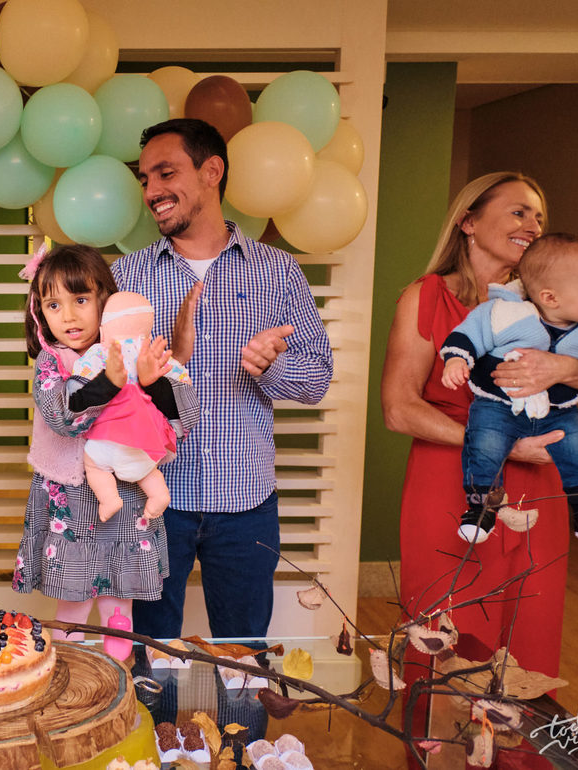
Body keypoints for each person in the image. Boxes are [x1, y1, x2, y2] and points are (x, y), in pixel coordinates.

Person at [381, 173, 578, 767]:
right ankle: (429, 757)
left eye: (538, 216)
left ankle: (517, 760)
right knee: (440, 632)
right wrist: (503, 447)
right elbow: (399, 407)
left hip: (542, 486)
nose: (531, 226)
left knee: (528, 634)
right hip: (450, 484)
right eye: (517, 213)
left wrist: (559, 366)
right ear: (468, 222)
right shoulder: (426, 297)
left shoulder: (559, 295)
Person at [112, 118, 332, 642]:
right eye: (145, 179)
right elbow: (101, 393)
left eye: (166, 173)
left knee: (244, 657)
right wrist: (154, 373)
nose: (152, 191)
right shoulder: (126, 278)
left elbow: (318, 378)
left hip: (246, 502)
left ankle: (244, 726)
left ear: (212, 171)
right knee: (148, 654)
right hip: (152, 499)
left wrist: (271, 367)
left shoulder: (278, 272)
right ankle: (157, 727)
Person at [11, 244, 199, 658]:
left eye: (80, 300)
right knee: (73, 605)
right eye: (53, 305)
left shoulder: (136, 351)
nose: (69, 316)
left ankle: (118, 662)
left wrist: (150, 381)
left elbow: (184, 418)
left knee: (120, 599)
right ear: (40, 313)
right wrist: (108, 383)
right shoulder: (51, 362)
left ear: (105, 301)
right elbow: (60, 415)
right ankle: (74, 667)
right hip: (71, 498)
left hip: (127, 495)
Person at [441, 233, 578, 544]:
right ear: (550, 297)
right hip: (498, 404)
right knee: (485, 443)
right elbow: (468, 335)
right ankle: (479, 509)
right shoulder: (503, 313)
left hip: (558, 411)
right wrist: (456, 360)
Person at [70, 291, 191, 522]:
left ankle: (109, 499)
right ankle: (158, 495)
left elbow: (81, 377)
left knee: (94, 467)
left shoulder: (101, 351)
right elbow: (180, 376)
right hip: (147, 440)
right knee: (148, 471)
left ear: (103, 330)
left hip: (108, 437)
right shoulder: (151, 354)